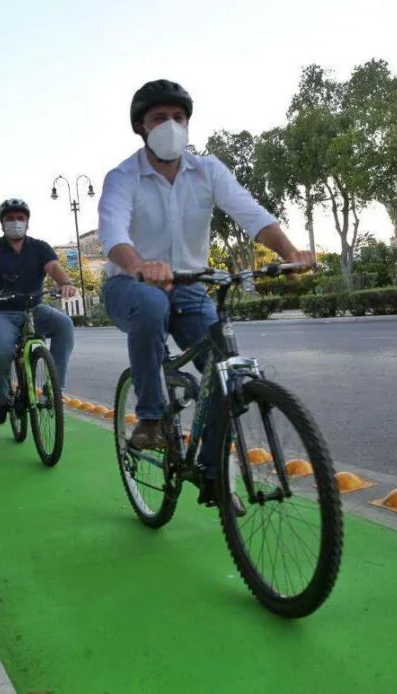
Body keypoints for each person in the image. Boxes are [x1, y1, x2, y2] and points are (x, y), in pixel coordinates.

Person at [96, 79, 315, 508]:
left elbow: (251, 212)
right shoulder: (122, 177)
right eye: (160, 118)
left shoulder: (208, 169)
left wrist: (290, 252)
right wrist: (139, 265)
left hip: (192, 285)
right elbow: (112, 234)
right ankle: (152, 417)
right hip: (130, 285)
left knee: (223, 372)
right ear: (141, 126)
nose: (171, 126)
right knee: (152, 302)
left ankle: (214, 476)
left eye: (179, 118)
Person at [0, 198, 77, 425]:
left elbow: (54, 268)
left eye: (20, 218)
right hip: (0, 312)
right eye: (9, 219)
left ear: (28, 221)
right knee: (1, 353)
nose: (15, 223)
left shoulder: (39, 247)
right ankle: (1, 396)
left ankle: (55, 388)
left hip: (34, 307)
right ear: (2, 223)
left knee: (64, 325)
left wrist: (66, 282)